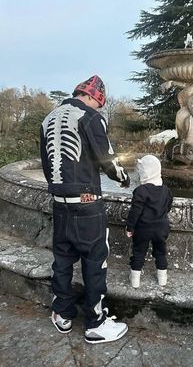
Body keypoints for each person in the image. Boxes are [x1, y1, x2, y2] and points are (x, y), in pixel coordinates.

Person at [40, 75, 130, 344]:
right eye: (100, 104)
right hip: (87, 204)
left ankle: (63, 314)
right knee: (94, 262)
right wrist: (124, 178)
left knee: (63, 260)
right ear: (95, 97)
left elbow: (46, 163)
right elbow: (107, 159)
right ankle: (96, 323)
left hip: (59, 204)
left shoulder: (47, 119)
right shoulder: (91, 117)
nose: (99, 108)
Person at [126, 155, 173, 288]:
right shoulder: (166, 190)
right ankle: (162, 277)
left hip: (143, 228)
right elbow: (168, 206)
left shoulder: (140, 191)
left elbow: (135, 212)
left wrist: (130, 228)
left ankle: (135, 279)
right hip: (162, 227)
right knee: (160, 251)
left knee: (139, 251)